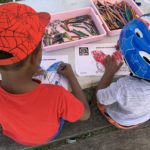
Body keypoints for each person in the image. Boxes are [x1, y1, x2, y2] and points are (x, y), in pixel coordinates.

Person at [0, 3, 90, 146]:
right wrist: (71, 77)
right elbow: (85, 114)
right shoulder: (57, 95)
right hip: (47, 135)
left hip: (18, 136)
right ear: (36, 57)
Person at [96, 18, 150, 129]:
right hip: (142, 117)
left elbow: (100, 98)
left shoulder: (125, 86)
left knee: (98, 102)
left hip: (122, 120)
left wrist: (109, 72)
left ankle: (110, 118)